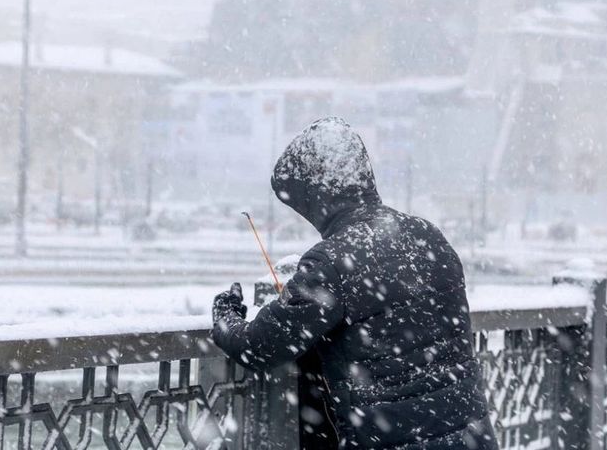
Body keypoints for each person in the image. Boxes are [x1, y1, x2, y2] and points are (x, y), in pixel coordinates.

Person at [212, 118, 497, 449]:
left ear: (317, 196)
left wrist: (225, 315)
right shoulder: (428, 236)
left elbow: (259, 346)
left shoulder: (331, 264)